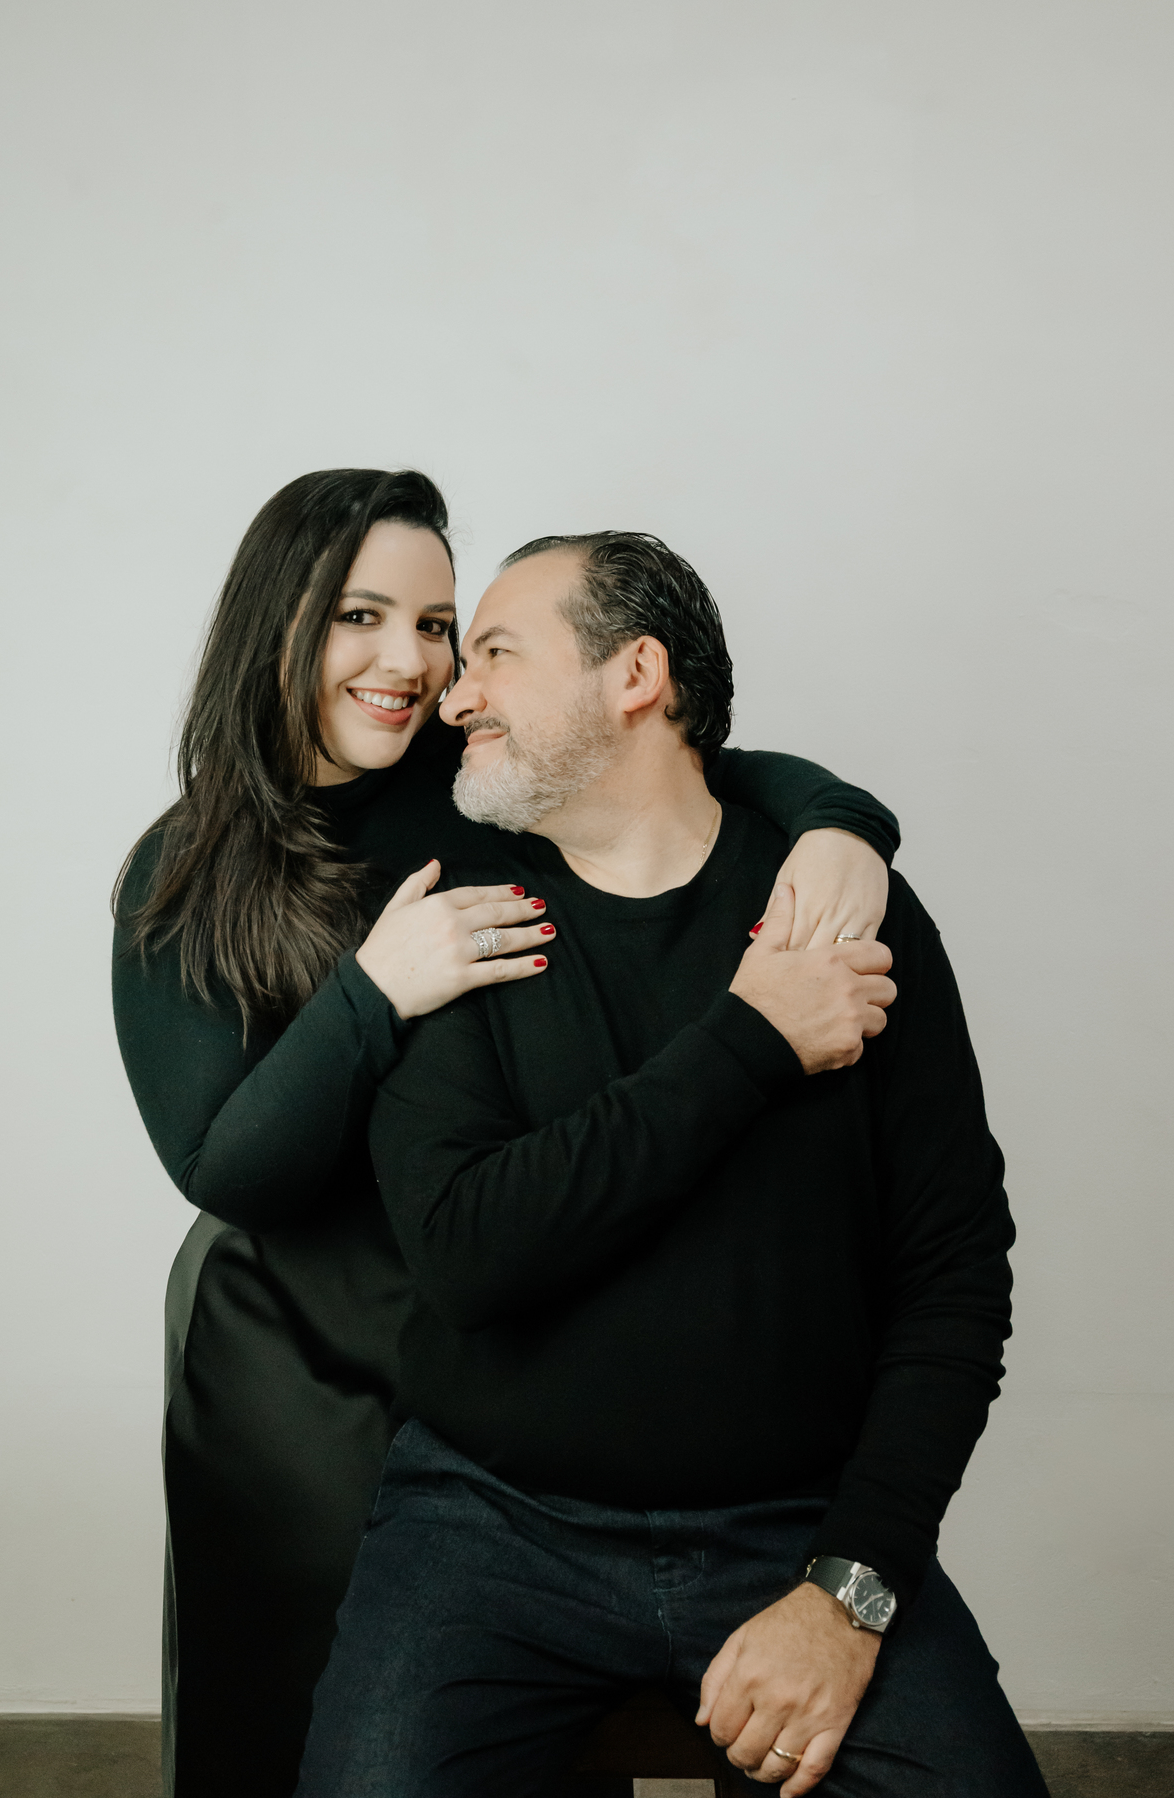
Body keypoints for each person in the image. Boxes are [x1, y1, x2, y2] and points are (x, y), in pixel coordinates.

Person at [112, 471, 903, 1798]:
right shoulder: (187, 862)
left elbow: (688, 765)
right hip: (287, 1354)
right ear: (278, 620)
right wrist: (374, 992)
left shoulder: (478, 784)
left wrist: (844, 825)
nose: (411, 663)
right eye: (362, 615)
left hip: (507, 1309)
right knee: (293, 1719)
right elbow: (225, 1169)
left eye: (437, 625)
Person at [296, 531, 1049, 1798]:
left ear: (635, 673)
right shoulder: (454, 921)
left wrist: (849, 1591)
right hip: (487, 1524)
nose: (454, 695)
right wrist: (751, 1038)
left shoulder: (845, 914)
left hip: (798, 1524)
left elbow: (957, 1276)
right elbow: (470, 1254)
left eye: (493, 653)